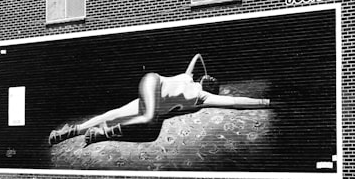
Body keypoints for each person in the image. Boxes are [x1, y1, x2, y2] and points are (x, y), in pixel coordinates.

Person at [49, 54, 272, 146]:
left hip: (153, 95)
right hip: (153, 83)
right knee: (148, 119)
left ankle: (71, 132)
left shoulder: (203, 96)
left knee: (122, 117)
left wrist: (264, 102)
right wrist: (199, 63)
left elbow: (235, 102)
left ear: (210, 86)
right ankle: (103, 132)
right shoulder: (189, 80)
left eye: (211, 79)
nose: (209, 77)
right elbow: (195, 60)